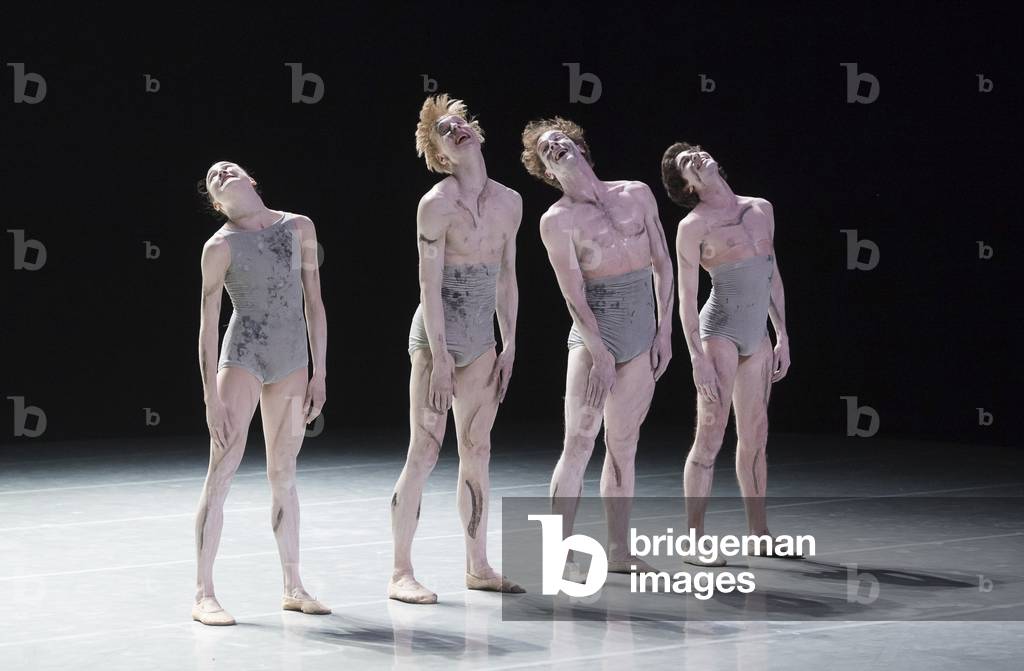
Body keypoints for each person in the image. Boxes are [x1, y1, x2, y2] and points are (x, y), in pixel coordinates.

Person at [521, 117, 674, 575]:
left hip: (642, 332)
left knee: (623, 444)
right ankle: (558, 550)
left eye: (558, 140)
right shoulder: (557, 220)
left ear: (578, 144)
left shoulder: (637, 192)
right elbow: (572, 293)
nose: (554, 147)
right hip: (594, 336)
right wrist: (602, 353)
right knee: (579, 442)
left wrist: (664, 332)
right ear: (546, 171)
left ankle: (620, 550)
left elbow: (663, 264)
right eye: (546, 150)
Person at [389, 95, 525, 604]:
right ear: (441, 154)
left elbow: (508, 276)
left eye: (460, 123)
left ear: (478, 132)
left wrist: (509, 341)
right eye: (444, 131)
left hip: (482, 340)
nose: (456, 130)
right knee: (424, 449)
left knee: (478, 450)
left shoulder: (510, 201)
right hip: (436, 337)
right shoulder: (435, 204)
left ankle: (478, 565)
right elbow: (428, 286)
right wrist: (441, 357)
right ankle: (400, 570)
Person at [194, 161, 330, 624]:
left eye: (229, 168)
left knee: (284, 471)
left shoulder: (300, 226)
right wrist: (212, 397)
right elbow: (207, 327)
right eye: (214, 176)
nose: (222, 172)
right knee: (223, 467)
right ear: (217, 203)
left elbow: (314, 300)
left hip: (292, 361)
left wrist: (320, 372)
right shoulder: (219, 246)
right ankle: (203, 593)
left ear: (252, 179)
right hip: (243, 358)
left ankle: (293, 585)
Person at [660, 142, 791, 566]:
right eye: (686, 164)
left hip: (758, 334)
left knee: (756, 436)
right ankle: (694, 541)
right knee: (711, 435)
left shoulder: (761, 207)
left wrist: (783, 332)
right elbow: (685, 297)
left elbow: (772, 273)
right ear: (688, 186)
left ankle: (759, 533)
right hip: (720, 333)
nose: (696, 157)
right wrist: (696, 357)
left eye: (695, 151)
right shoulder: (693, 226)